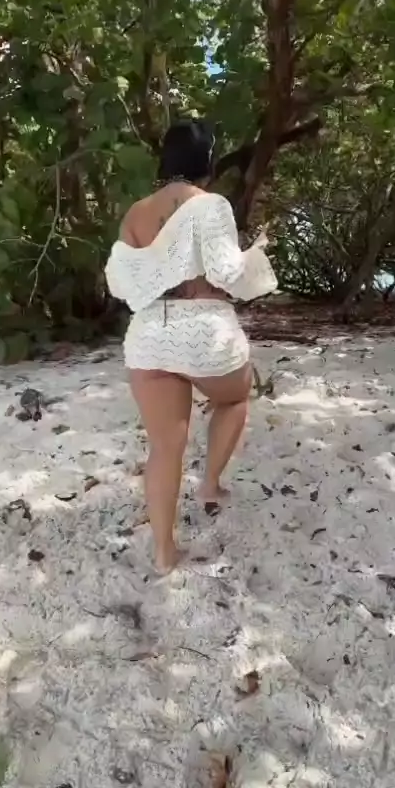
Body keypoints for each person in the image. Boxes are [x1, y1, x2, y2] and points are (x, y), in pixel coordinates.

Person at [105, 119, 278, 573]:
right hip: (203, 329)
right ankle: (210, 484)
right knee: (235, 398)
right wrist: (256, 255)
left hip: (149, 334)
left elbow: (120, 281)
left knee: (165, 448)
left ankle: (164, 553)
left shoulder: (135, 213)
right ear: (207, 161)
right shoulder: (211, 204)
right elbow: (227, 272)